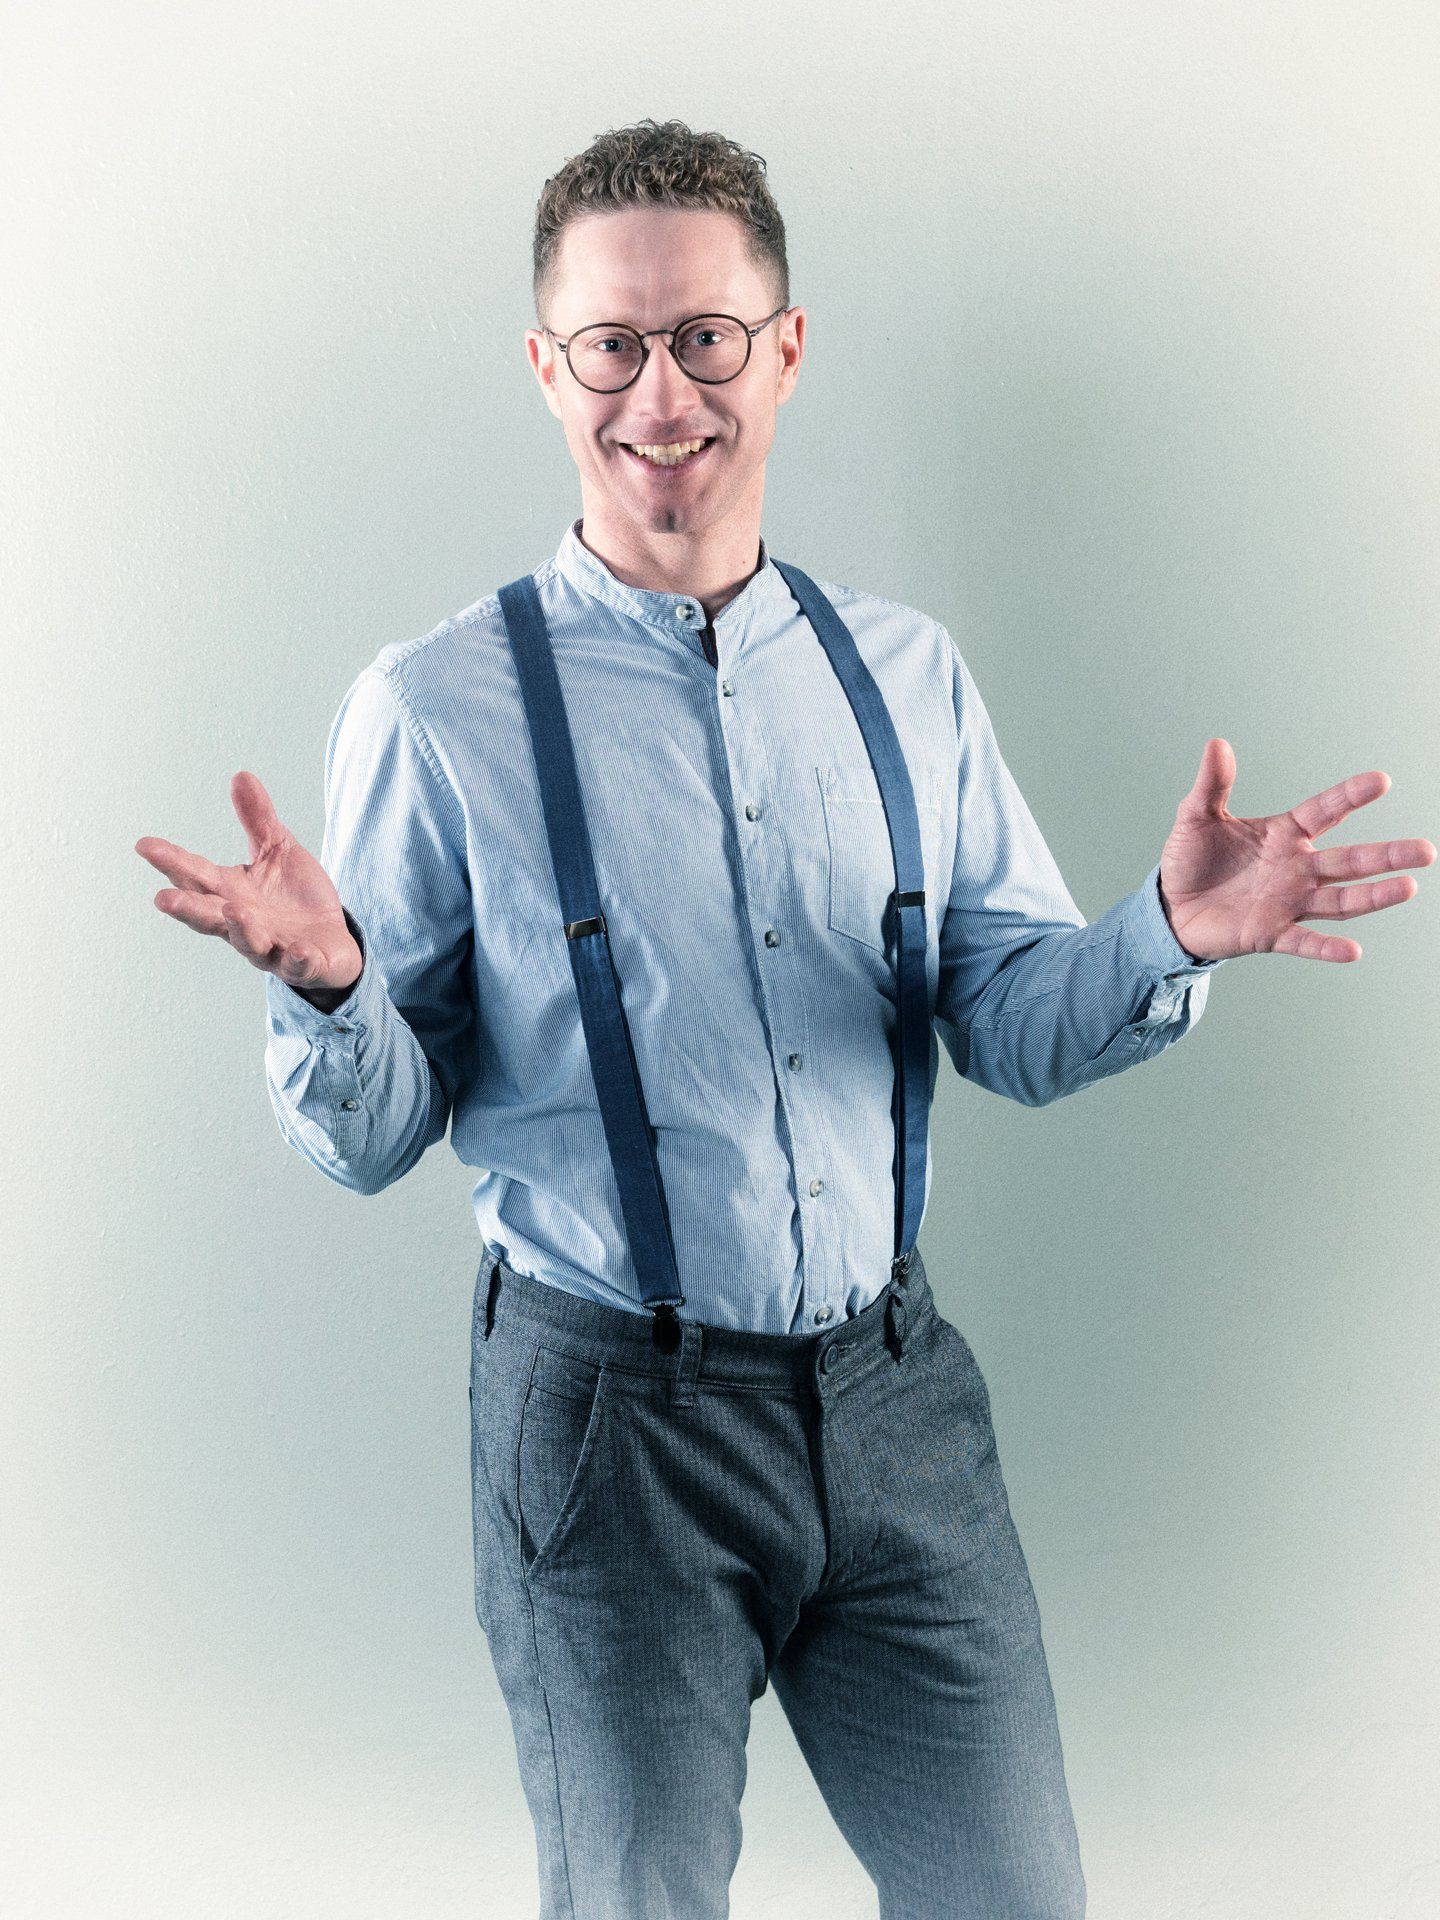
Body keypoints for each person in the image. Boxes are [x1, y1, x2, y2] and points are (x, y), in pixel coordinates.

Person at [135, 117, 1434, 1920]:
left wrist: (1164, 936)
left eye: (706, 338)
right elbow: (370, 1141)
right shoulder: (435, 710)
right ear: (548, 368)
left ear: (787, 349)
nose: (661, 394)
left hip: (898, 1397)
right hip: (612, 1427)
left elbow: (1010, 1021)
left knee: (1015, 1897)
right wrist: (334, 990)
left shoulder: (904, 676)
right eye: (613, 344)